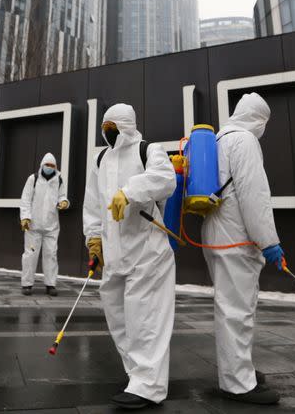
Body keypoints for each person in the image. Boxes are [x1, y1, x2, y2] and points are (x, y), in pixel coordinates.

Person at [82, 103, 177, 410]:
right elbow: (93, 203)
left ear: (126, 125)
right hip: (114, 255)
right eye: (104, 126)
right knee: (119, 318)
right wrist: (94, 238)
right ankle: (137, 375)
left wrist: (130, 191)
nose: (107, 131)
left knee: (144, 319)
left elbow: (166, 180)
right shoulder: (100, 157)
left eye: (113, 126)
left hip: (147, 253)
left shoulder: (148, 150)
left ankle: (149, 386)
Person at [201, 92, 285, 405]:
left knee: (229, 307)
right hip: (236, 238)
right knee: (237, 311)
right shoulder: (246, 141)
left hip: (215, 235)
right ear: (259, 119)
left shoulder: (219, 139)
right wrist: (269, 241)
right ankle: (237, 383)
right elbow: (254, 196)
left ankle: (238, 370)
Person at [19, 153, 69, 296]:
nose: (50, 167)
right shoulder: (33, 179)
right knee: (30, 255)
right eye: (47, 165)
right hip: (33, 226)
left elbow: (62, 196)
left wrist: (64, 202)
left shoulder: (58, 180)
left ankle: (50, 284)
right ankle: (27, 284)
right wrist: (25, 217)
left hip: (51, 227)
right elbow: (26, 199)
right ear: (42, 165)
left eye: (52, 165)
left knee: (51, 255)